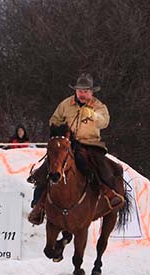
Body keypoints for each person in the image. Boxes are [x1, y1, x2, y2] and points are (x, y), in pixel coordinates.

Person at [27, 73, 123, 225]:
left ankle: (109, 191)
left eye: (85, 91)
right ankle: (38, 204)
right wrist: (60, 129)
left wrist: (91, 115)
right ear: (75, 91)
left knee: (98, 164)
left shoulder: (99, 106)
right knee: (50, 165)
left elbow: (104, 122)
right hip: (68, 143)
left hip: (90, 143)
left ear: (91, 92)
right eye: (80, 91)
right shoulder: (65, 104)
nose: (82, 94)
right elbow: (54, 119)